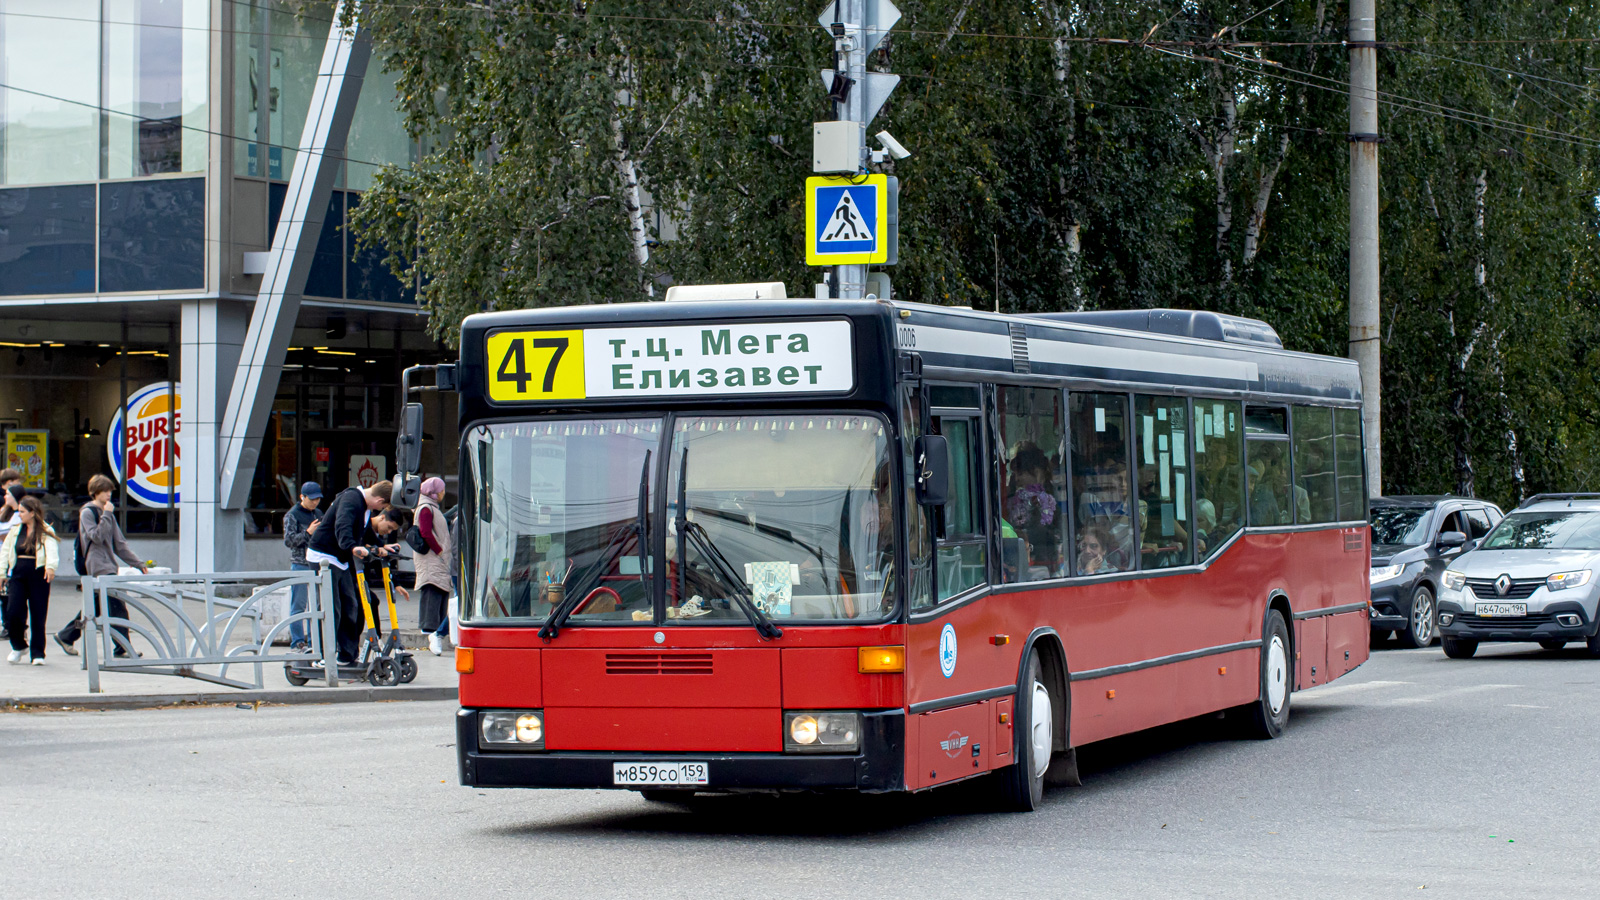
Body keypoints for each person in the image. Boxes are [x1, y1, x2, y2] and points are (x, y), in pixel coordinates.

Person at [56, 475, 148, 657]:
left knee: (93, 609)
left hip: (108, 566)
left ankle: (67, 635)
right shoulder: (88, 512)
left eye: (109, 491)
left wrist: (138, 563)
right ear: (95, 492)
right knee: (117, 607)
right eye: (105, 491)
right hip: (98, 567)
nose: (108, 494)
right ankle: (123, 647)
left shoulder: (108, 514)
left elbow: (119, 544)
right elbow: (96, 536)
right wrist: (106, 514)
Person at [307, 480, 398, 664]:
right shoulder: (351, 500)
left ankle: (347, 656)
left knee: (352, 606)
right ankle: (322, 656)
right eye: (383, 506)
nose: (380, 510)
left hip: (340, 559)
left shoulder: (364, 507)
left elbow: (363, 531)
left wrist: (381, 547)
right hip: (323, 556)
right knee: (331, 609)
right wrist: (352, 547)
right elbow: (343, 526)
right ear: (380, 500)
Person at [2, 496, 58, 664]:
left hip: (38, 574)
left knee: (38, 614)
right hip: (18, 573)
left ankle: (38, 653)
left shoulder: (46, 530)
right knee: (13, 612)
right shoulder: (15, 530)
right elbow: (5, 551)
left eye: (22, 512)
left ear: (32, 513)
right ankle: (19, 646)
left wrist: (50, 567)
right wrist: (1, 573)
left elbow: (51, 549)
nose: (19, 515)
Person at [412, 477, 454, 655]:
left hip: (437, 558)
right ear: (435, 491)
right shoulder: (426, 509)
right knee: (433, 588)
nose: (444, 493)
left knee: (439, 589)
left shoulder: (431, 508)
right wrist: (438, 550)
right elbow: (426, 532)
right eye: (442, 490)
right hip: (432, 558)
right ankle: (429, 629)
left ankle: (434, 628)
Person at [282, 481, 324, 652]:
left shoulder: (319, 513)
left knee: (316, 605)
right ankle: (298, 642)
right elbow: (289, 541)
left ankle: (315, 640)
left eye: (317, 499)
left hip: (317, 563)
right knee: (298, 605)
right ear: (302, 497)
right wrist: (307, 533)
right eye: (311, 499)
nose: (315, 502)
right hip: (300, 564)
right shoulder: (292, 515)